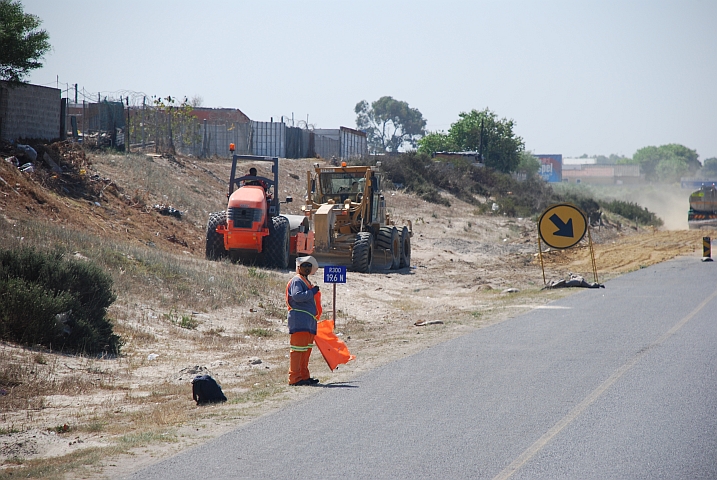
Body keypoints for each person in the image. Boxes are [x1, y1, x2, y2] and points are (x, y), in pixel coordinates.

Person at [285, 256, 322, 386]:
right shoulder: (297, 280)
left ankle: (304, 377)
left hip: (308, 321)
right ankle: (294, 378)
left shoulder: (305, 281)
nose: (307, 268)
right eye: (304, 265)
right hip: (299, 320)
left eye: (309, 266)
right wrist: (312, 292)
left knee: (305, 351)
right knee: (297, 351)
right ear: (298, 268)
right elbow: (297, 296)